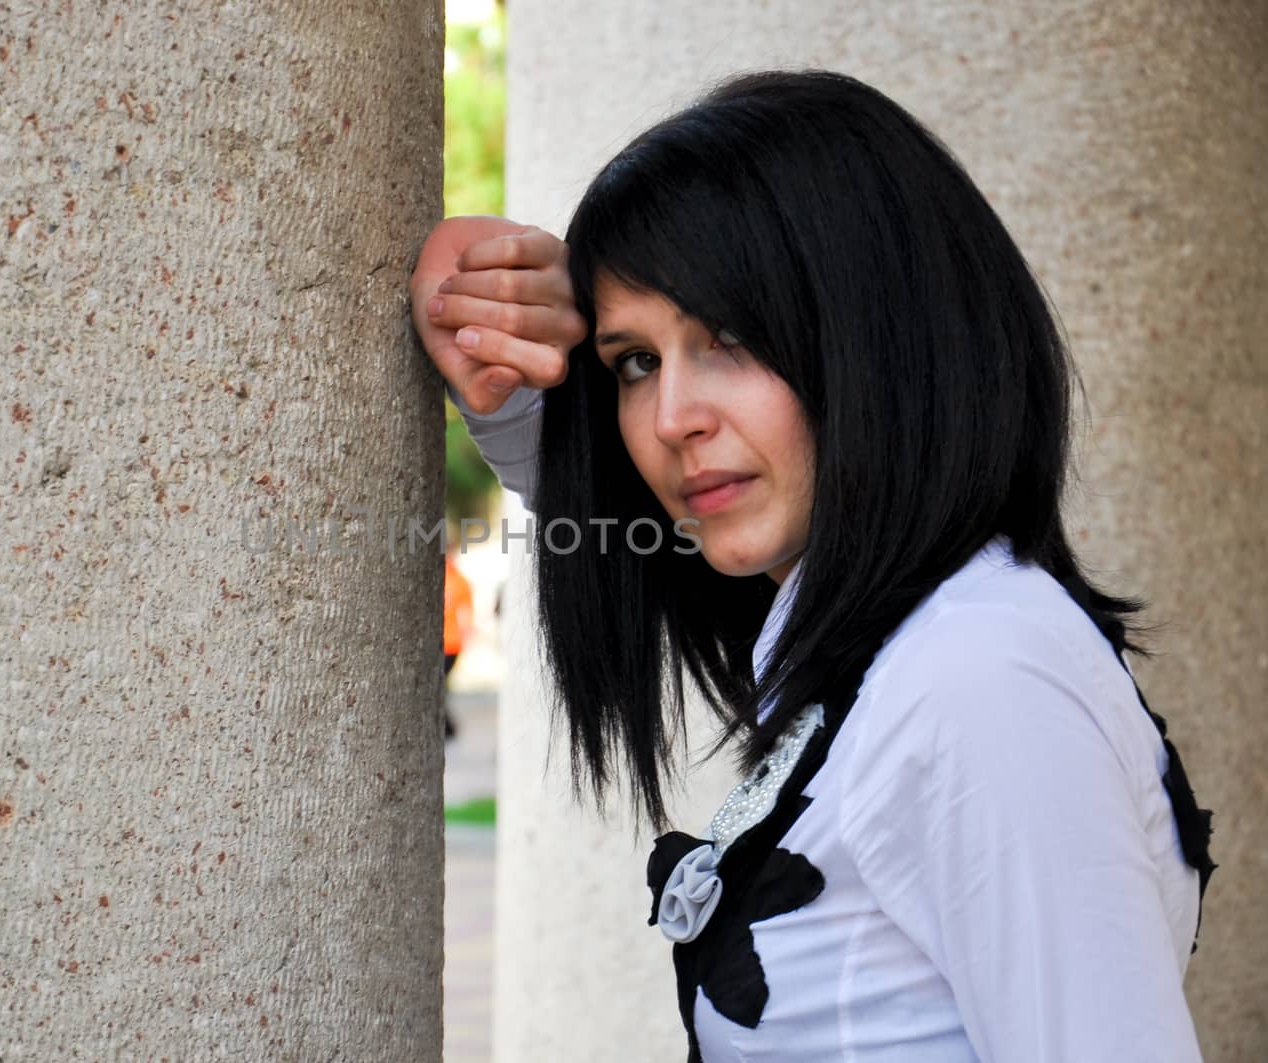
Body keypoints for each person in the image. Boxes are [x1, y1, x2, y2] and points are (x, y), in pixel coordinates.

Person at [409, 70, 1215, 1063]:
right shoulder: (885, 637)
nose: (670, 421)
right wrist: (494, 322)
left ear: (880, 335)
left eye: (731, 338)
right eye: (636, 362)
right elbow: (601, 504)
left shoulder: (977, 679)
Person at [442, 549, 475, 739]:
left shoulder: (460, 581)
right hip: (443, 641)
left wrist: (467, 634)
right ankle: (447, 724)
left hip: (452, 644)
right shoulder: (442, 577)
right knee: (441, 685)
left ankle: (448, 725)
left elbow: (467, 612)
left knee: (441, 683)